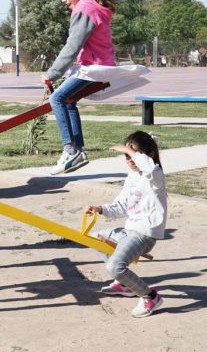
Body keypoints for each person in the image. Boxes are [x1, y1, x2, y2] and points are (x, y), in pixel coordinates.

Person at [83, 131, 167, 318]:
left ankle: (150, 297)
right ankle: (125, 284)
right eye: (126, 156)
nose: (130, 159)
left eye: (134, 155)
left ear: (150, 155)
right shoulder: (132, 176)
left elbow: (150, 169)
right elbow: (121, 206)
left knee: (114, 267)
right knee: (97, 238)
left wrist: (125, 149)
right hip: (130, 230)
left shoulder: (155, 176)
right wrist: (100, 209)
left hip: (144, 234)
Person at [41, 0, 116, 175]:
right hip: (100, 64)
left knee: (56, 98)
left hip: (93, 67)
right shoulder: (92, 6)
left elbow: (72, 46)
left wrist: (52, 73)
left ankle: (70, 150)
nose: (63, 0)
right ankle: (78, 151)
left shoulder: (85, 8)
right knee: (68, 100)